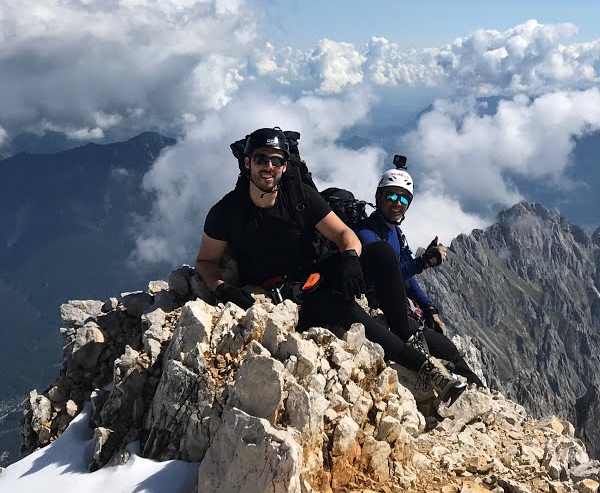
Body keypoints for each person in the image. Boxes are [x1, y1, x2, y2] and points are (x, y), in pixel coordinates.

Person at [194, 126, 467, 405]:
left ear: (285, 166)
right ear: (247, 162)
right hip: (283, 296)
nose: (269, 166)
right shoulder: (227, 211)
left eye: (277, 161)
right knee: (345, 310)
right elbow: (206, 261)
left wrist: (349, 259)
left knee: (383, 253)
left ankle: (405, 330)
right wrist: (222, 288)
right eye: (262, 158)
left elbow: (344, 235)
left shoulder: (299, 197)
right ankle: (429, 370)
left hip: (317, 271)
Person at [356, 165, 486, 389]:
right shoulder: (366, 233)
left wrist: (429, 308)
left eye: (404, 198)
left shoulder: (395, 232)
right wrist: (423, 262)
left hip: (394, 306)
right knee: (442, 349)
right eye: (391, 195)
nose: (397, 203)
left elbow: (405, 276)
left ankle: (480, 392)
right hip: (377, 308)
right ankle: (470, 392)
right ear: (378, 197)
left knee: (447, 348)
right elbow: (387, 277)